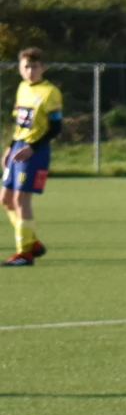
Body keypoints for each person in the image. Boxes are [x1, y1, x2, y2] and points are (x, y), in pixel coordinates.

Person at [1, 47, 64, 267]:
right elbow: (20, 123)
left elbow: (56, 128)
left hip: (35, 151)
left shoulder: (50, 92)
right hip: (19, 145)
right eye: (26, 66)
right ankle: (33, 243)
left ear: (43, 68)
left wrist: (32, 147)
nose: (30, 71)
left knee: (21, 199)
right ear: (19, 69)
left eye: (35, 67)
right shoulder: (21, 89)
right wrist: (10, 147)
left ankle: (24, 253)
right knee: (5, 199)